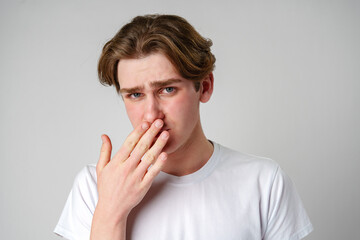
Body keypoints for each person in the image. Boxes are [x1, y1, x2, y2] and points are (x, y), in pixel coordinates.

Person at [54, 14, 313, 240]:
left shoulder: (264, 182)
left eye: (167, 89)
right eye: (134, 95)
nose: (151, 114)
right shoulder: (93, 186)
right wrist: (110, 211)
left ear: (205, 86)